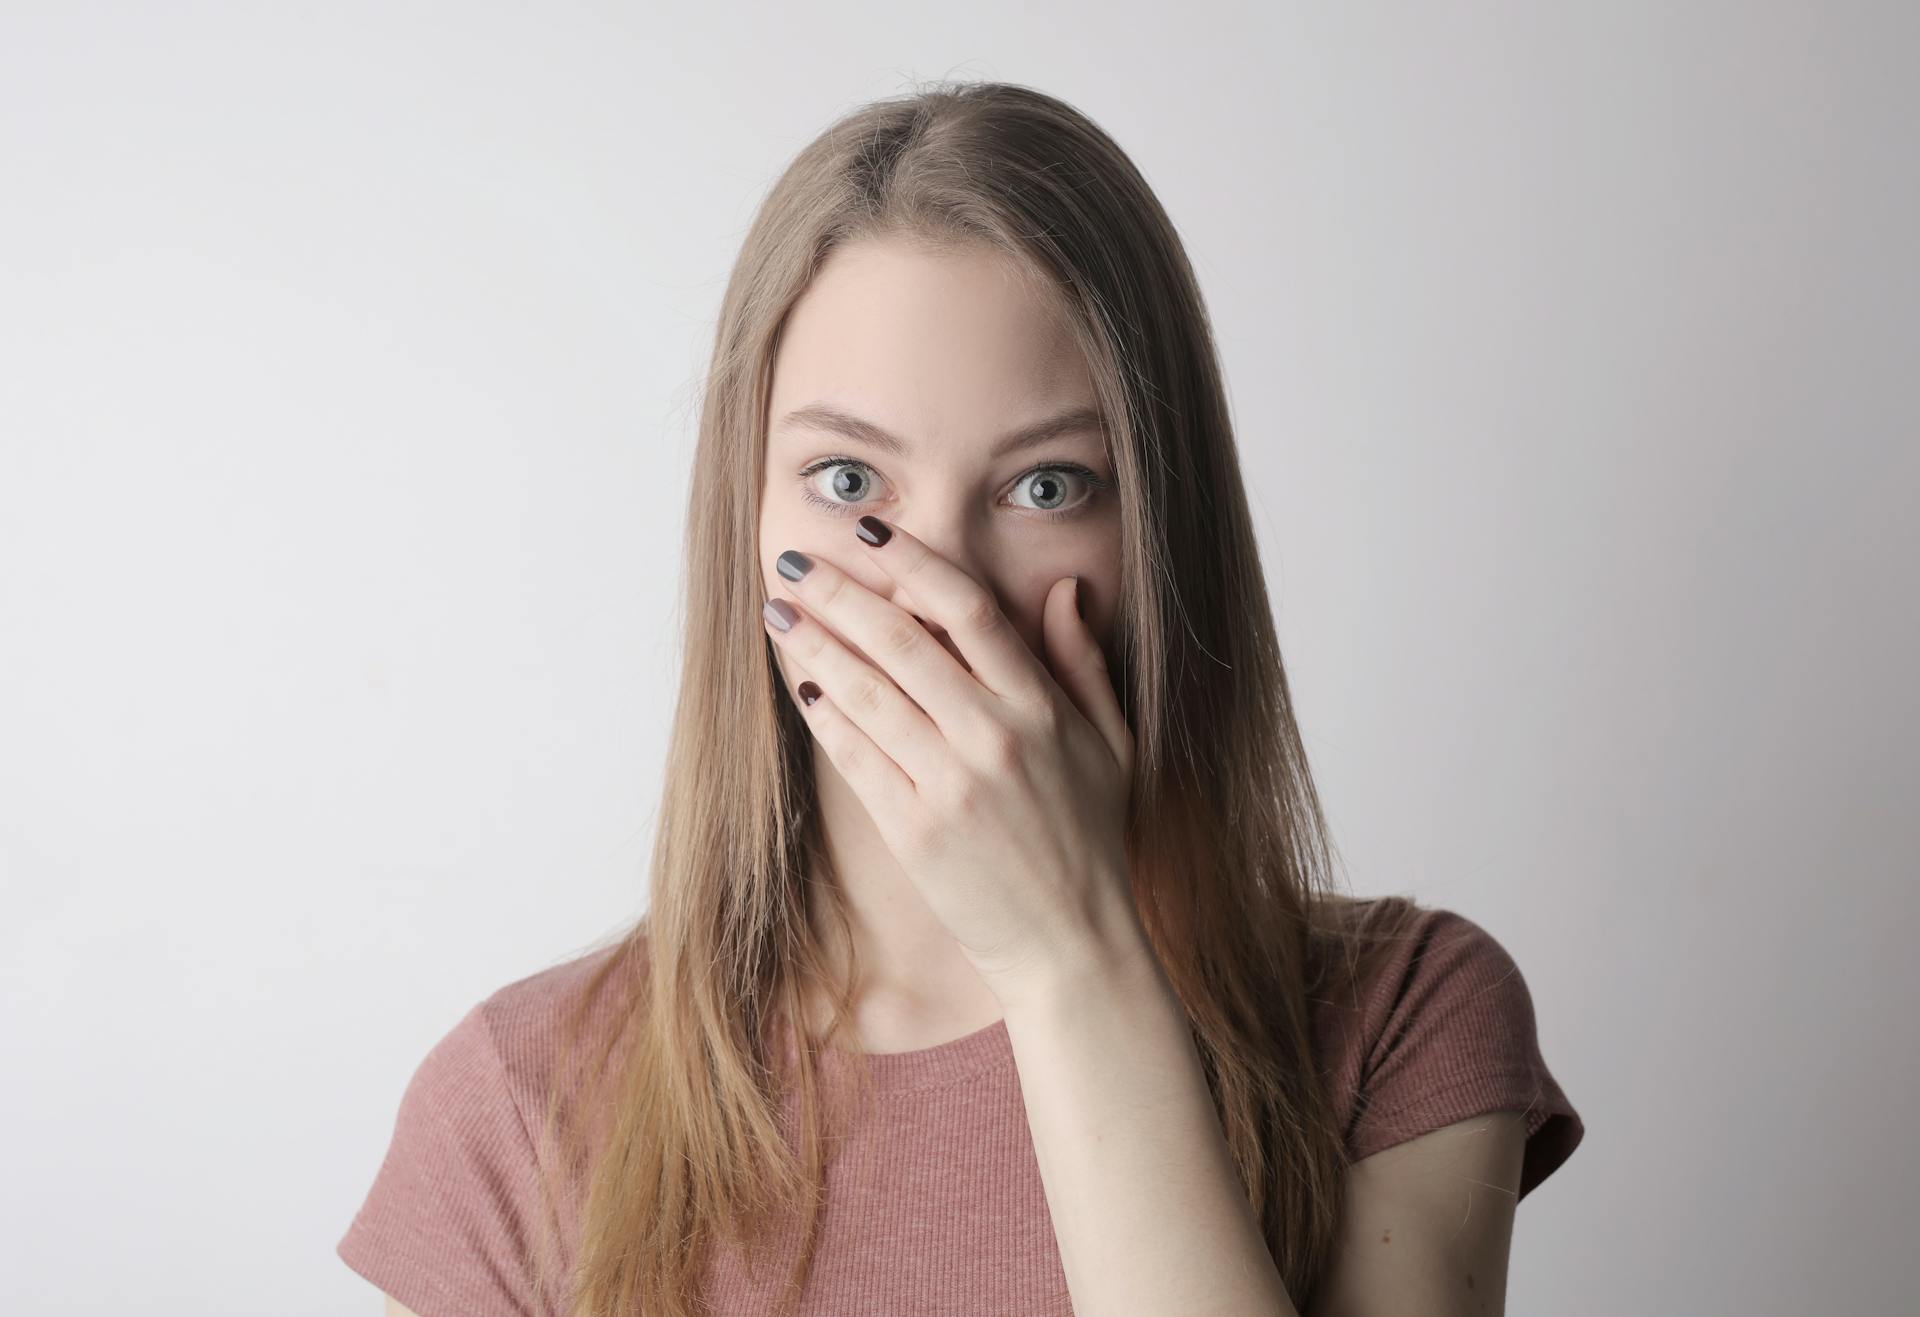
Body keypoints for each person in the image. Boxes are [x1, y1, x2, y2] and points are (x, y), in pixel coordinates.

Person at [337, 79, 1583, 1317]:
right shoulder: (520, 1108)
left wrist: (1067, 961)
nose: (939, 591)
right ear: (744, 515)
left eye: (1046, 487)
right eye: (846, 479)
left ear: (1161, 524)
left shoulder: (1405, 1020)